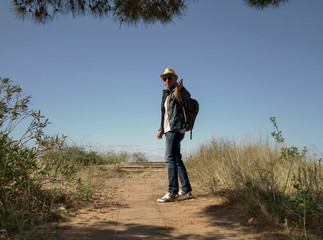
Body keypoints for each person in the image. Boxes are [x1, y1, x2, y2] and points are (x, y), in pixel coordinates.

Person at [156, 68, 192, 203]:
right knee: (176, 159)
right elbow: (164, 114)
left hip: (175, 130)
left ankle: (172, 191)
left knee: (170, 158)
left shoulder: (179, 91)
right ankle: (186, 188)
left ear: (175, 79)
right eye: (164, 79)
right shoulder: (166, 94)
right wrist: (161, 128)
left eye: (169, 78)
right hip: (168, 130)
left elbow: (187, 97)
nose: (166, 81)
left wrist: (182, 89)